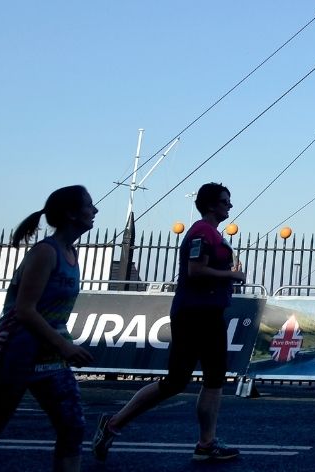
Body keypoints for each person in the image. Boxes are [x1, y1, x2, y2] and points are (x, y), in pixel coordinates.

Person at [0, 185, 98, 472]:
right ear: (71, 214)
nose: (95, 210)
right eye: (89, 205)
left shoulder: (71, 253)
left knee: (73, 427)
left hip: (49, 356)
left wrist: (60, 346)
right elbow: (24, 309)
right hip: (15, 351)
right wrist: (65, 346)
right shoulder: (45, 252)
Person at [93, 182, 246, 463]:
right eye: (225, 201)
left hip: (211, 313)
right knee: (177, 380)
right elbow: (195, 271)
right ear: (211, 205)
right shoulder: (201, 232)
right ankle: (113, 423)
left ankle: (206, 443)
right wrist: (232, 276)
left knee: (215, 379)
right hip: (194, 314)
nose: (230, 206)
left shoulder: (212, 233)